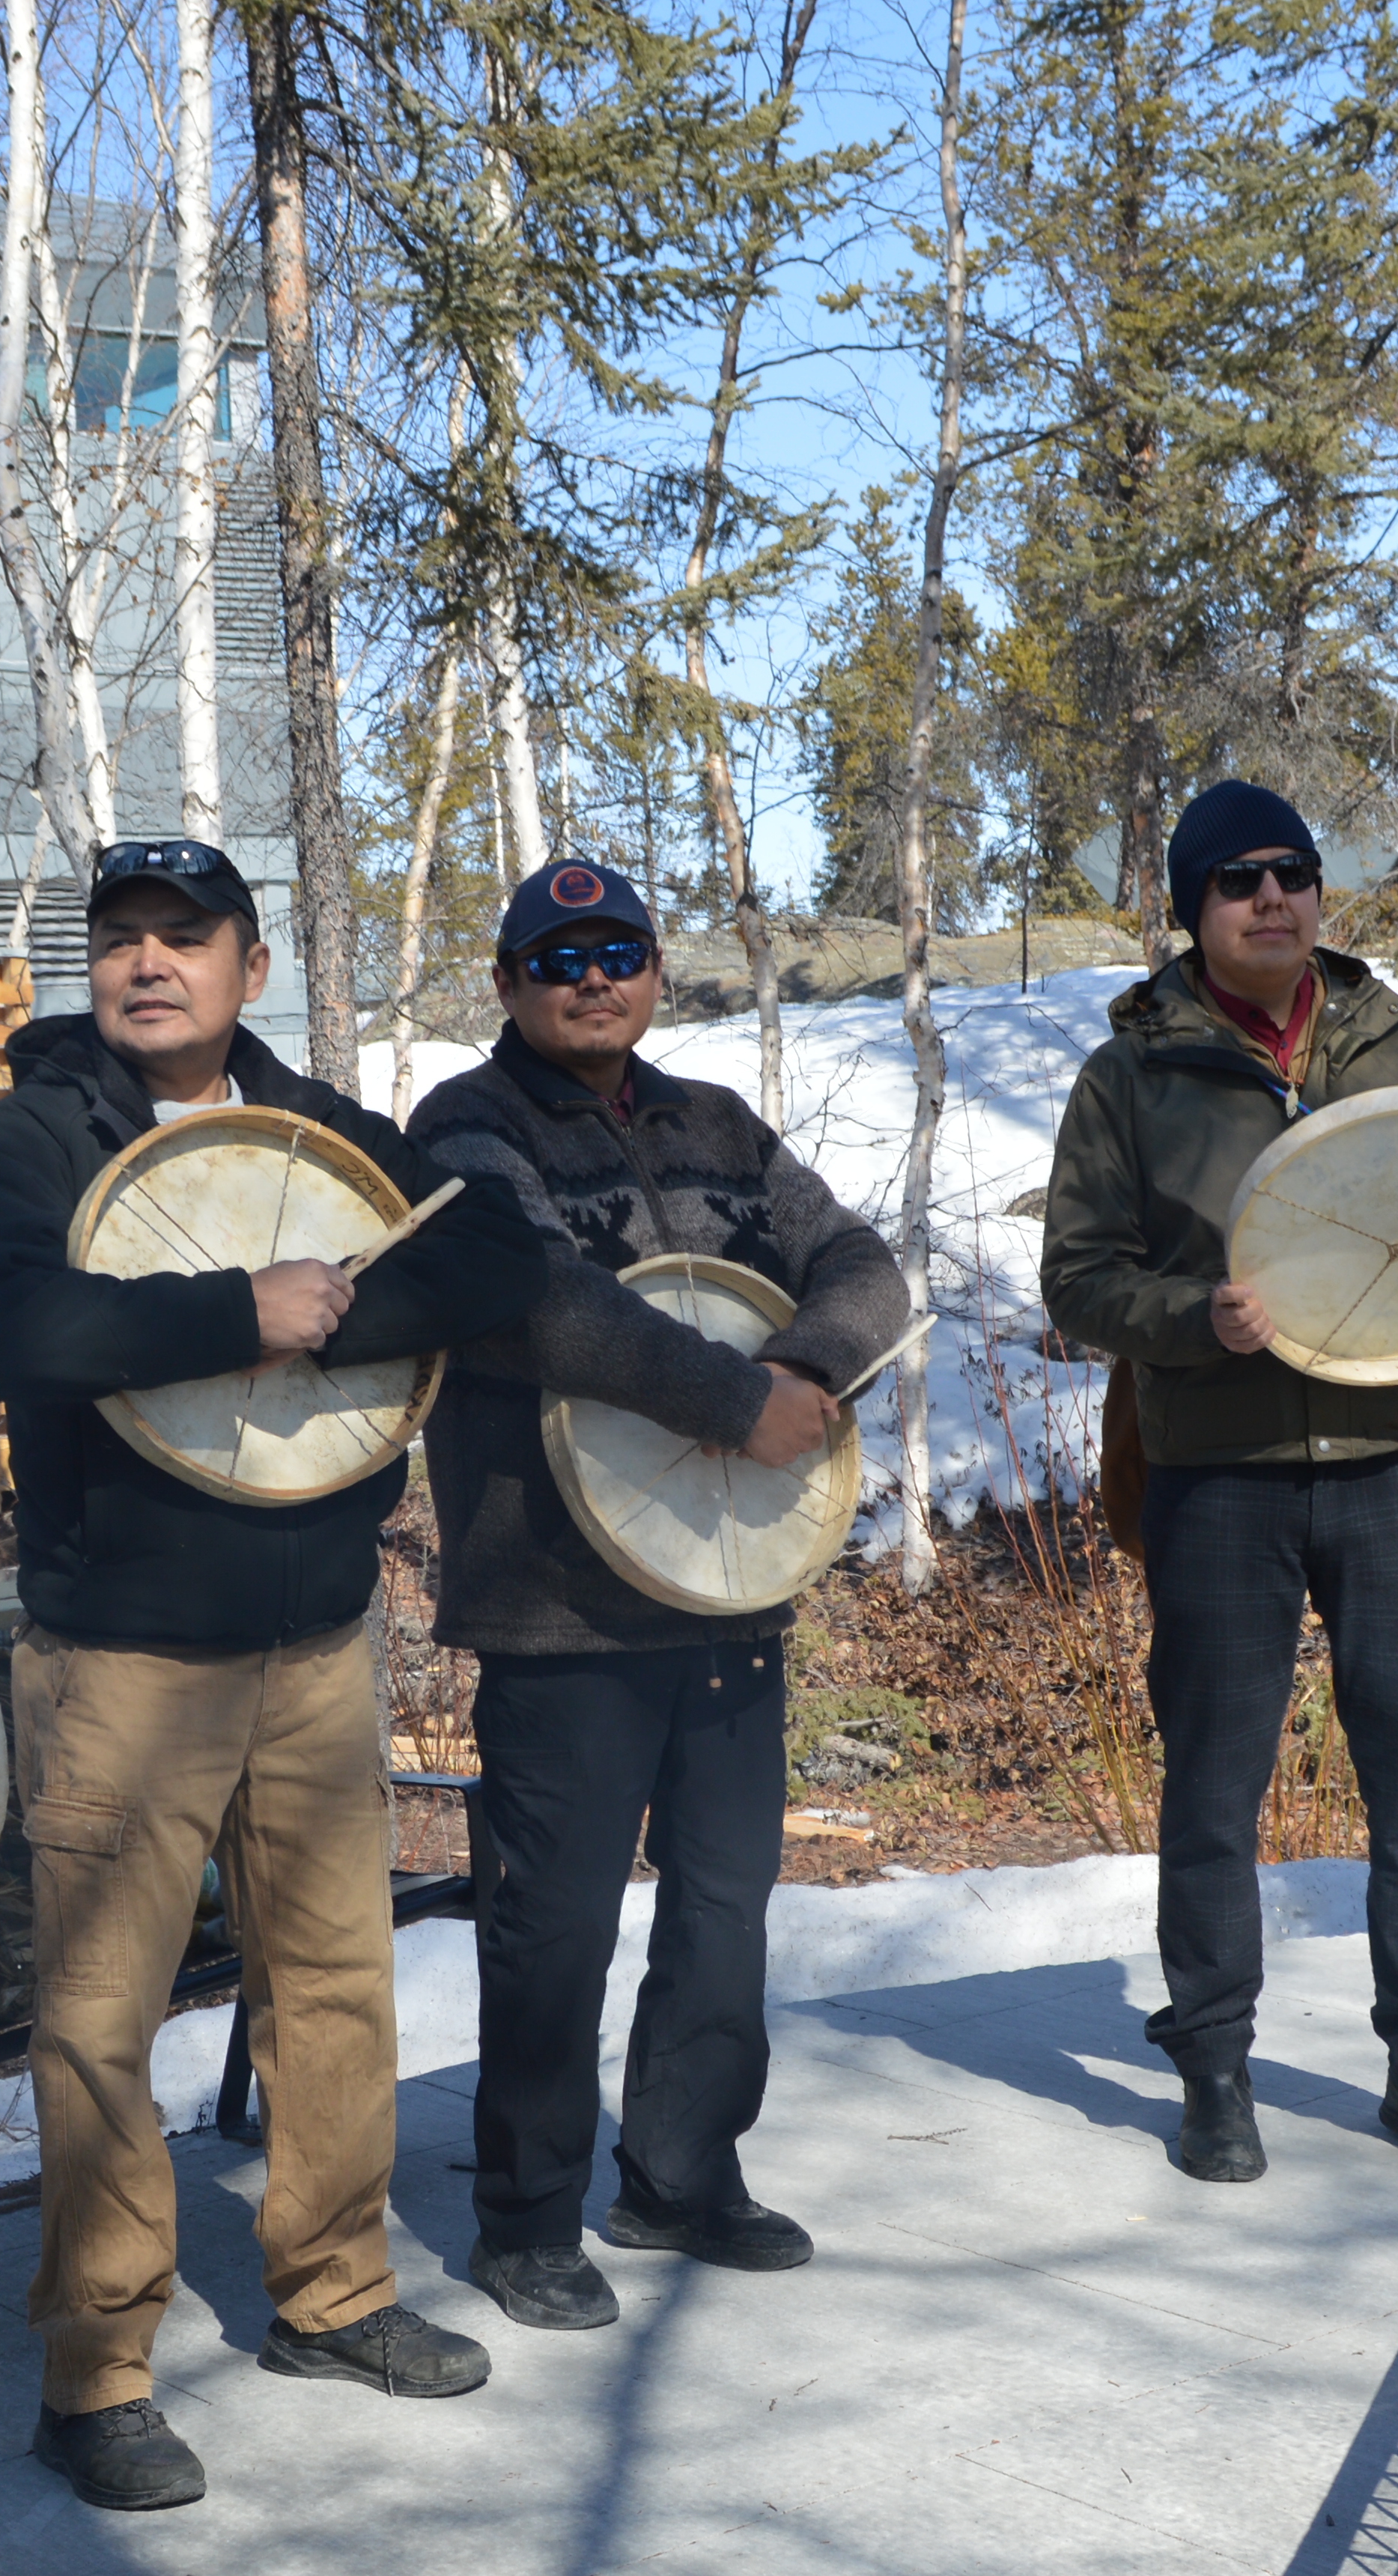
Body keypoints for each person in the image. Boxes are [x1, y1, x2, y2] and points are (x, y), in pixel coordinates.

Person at [0, 837, 544, 2508]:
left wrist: (325, 1311)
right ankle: (98, 2367)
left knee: (335, 1984)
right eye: (120, 938)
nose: (149, 964)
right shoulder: (35, 1137)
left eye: (183, 938)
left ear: (248, 964)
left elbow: (486, 1251)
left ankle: (332, 2288)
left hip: (313, 1641)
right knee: (101, 2018)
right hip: (121, 1657)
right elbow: (2, 1330)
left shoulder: (315, 1130)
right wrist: (231, 1308)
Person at [1038, 782, 1398, 2192]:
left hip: (1396, 1467)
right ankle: (1214, 2071)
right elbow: (1077, 1280)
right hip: (1221, 1477)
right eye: (1236, 882)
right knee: (1216, 1789)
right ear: (1193, 912)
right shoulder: (1132, 1076)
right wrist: (1188, 1321)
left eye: (1293, 874)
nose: (1271, 898)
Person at [407, 859, 908, 2332]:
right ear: (505, 982)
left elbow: (863, 1263)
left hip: (730, 1592)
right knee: (550, 1924)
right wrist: (723, 1395)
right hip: (557, 1605)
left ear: (652, 970)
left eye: (614, 949)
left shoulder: (721, 1125)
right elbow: (536, 1301)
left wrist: (806, 1370)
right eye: (553, 955)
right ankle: (524, 2218)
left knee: (721, 1908)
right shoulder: (461, 1126)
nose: (588, 975)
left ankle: (680, 2174)